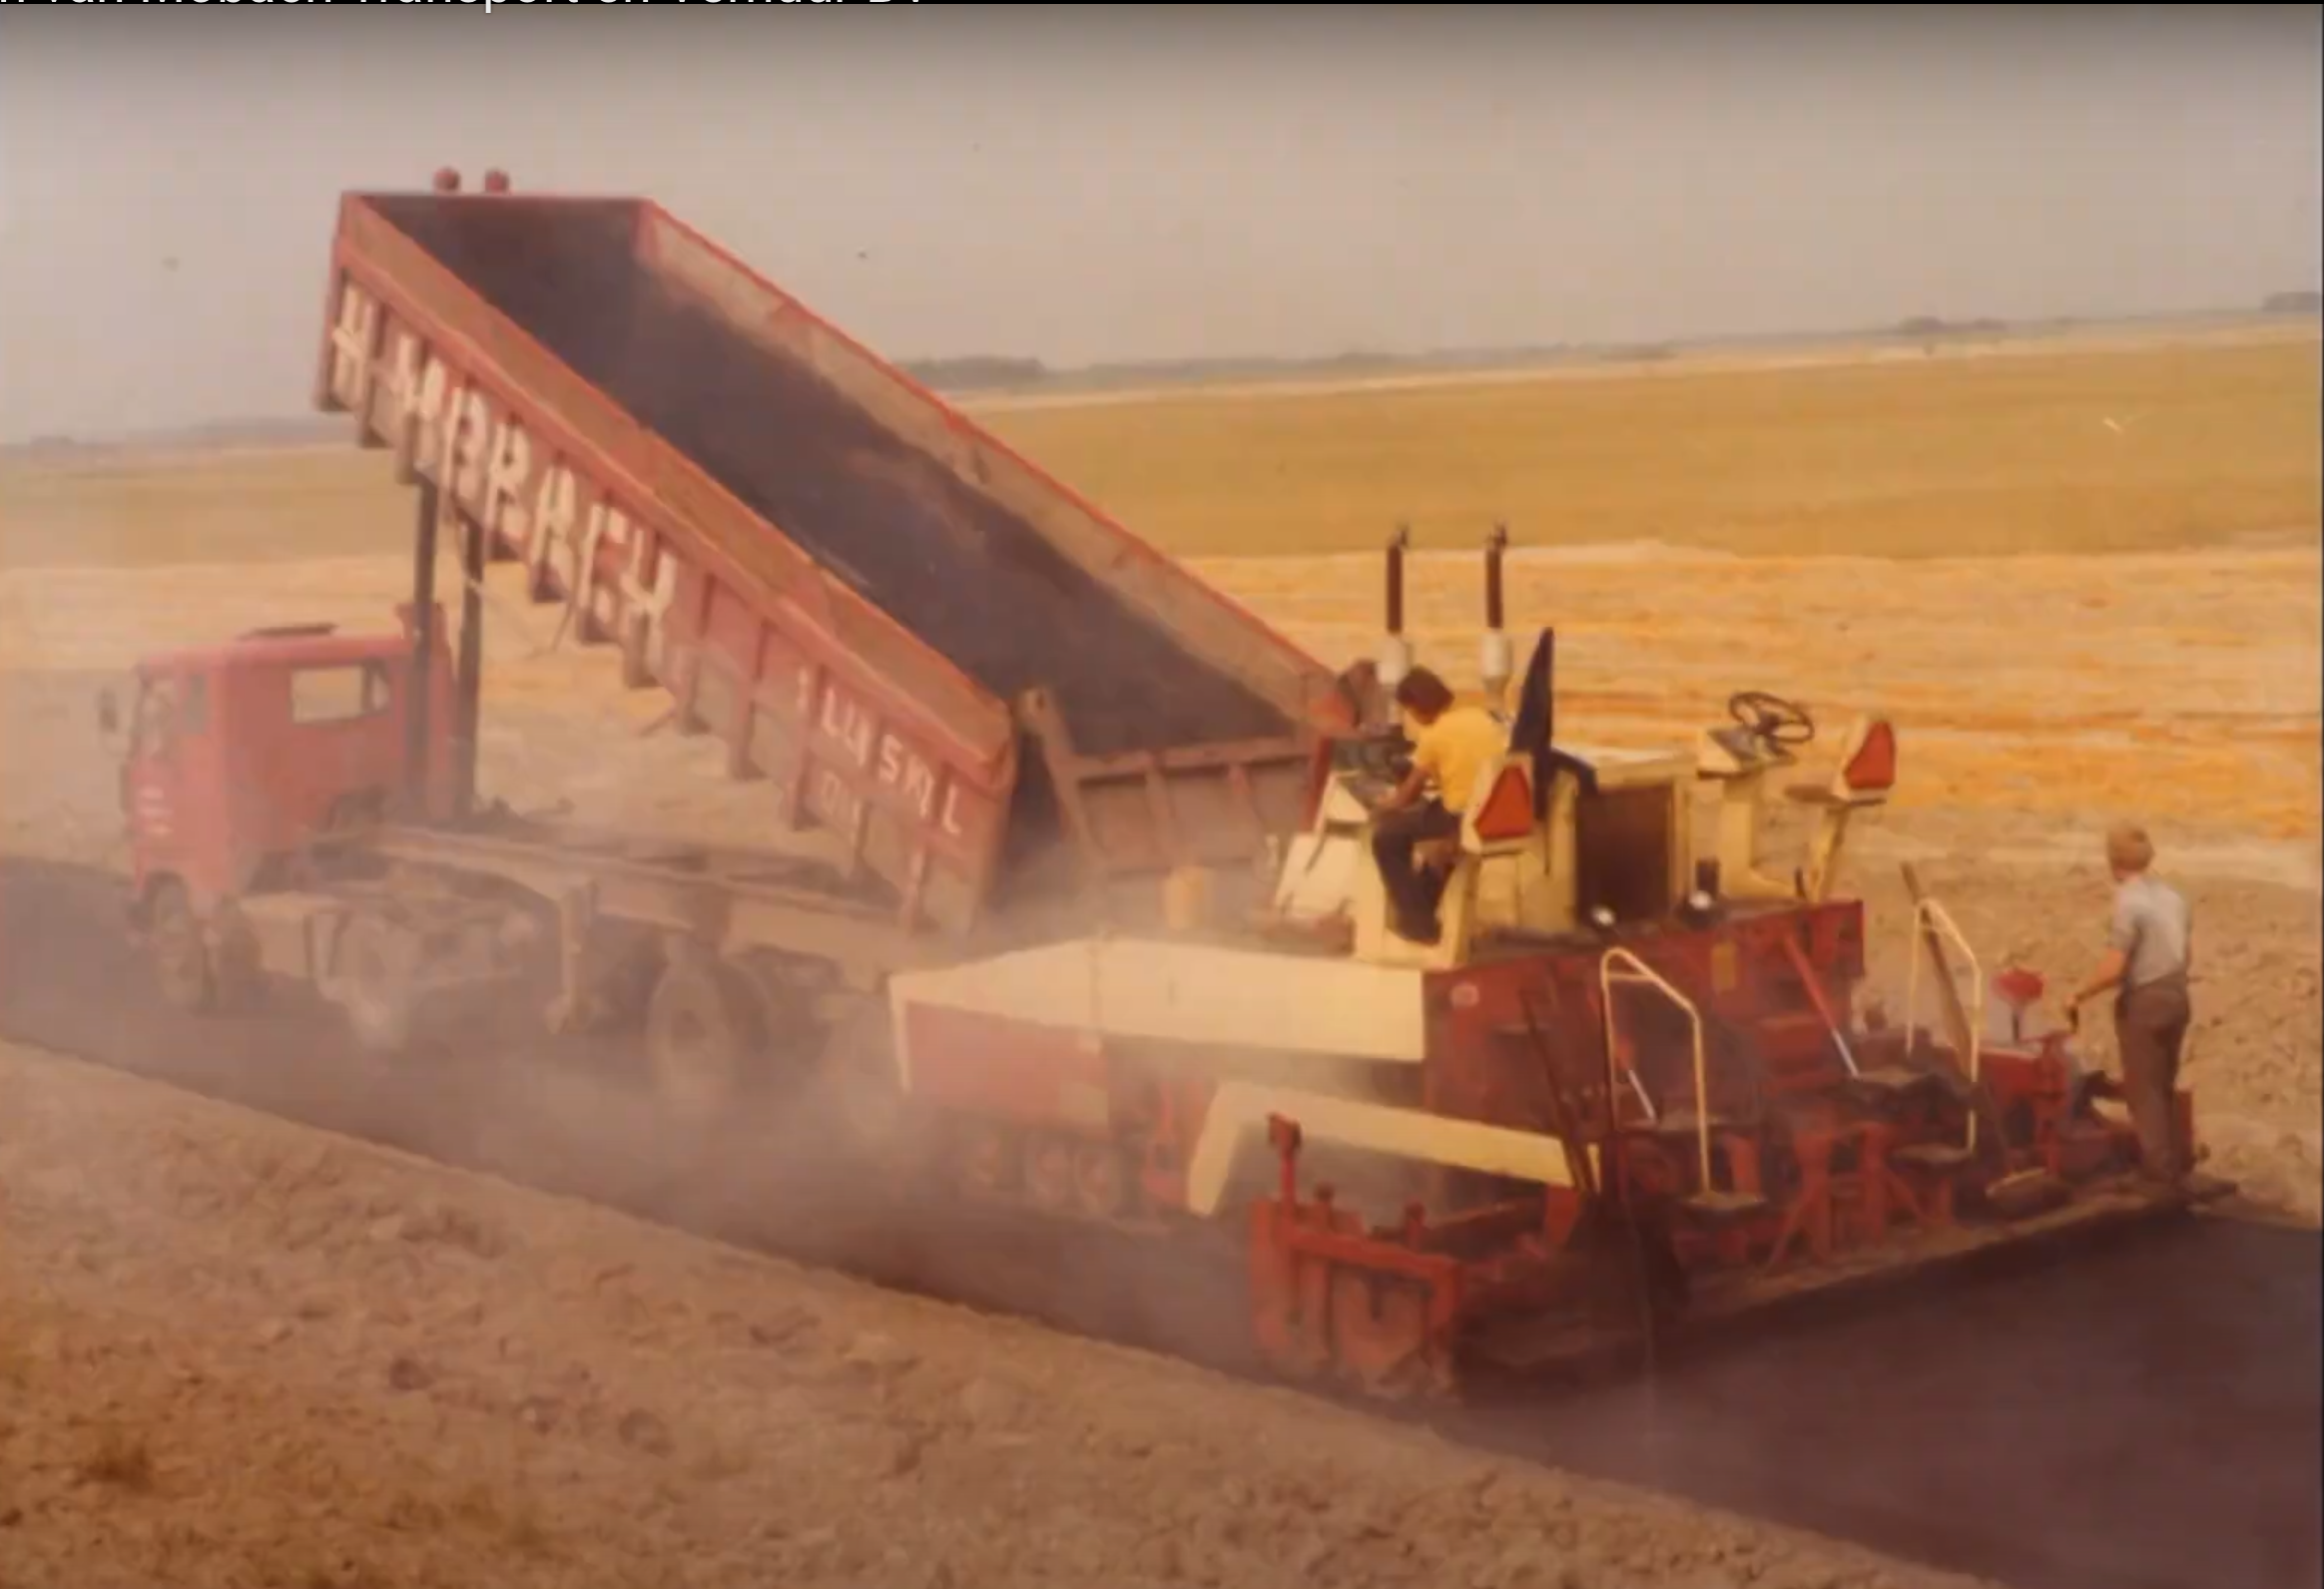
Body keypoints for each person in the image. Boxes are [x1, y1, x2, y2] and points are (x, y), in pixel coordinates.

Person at [2064, 822, 2193, 1187]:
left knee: (2143, 1090)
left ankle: (2158, 1174)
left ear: (2112, 860)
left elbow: (2114, 968)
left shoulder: (2129, 901)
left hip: (2146, 1002)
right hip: (2178, 997)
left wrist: (2078, 993)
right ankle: (2173, 1161)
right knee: (2164, 1085)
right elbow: (2187, 954)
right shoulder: (2173, 898)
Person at [1370, 667, 1506, 945]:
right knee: (1437, 849)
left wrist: (1380, 806)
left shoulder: (1434, 736)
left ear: (1417, 707)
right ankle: (1419, 916)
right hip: (1493, 813)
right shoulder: (1481, 717)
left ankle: (1418, 926)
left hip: (1460, 817)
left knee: (1386, 838)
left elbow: (1406, 797)